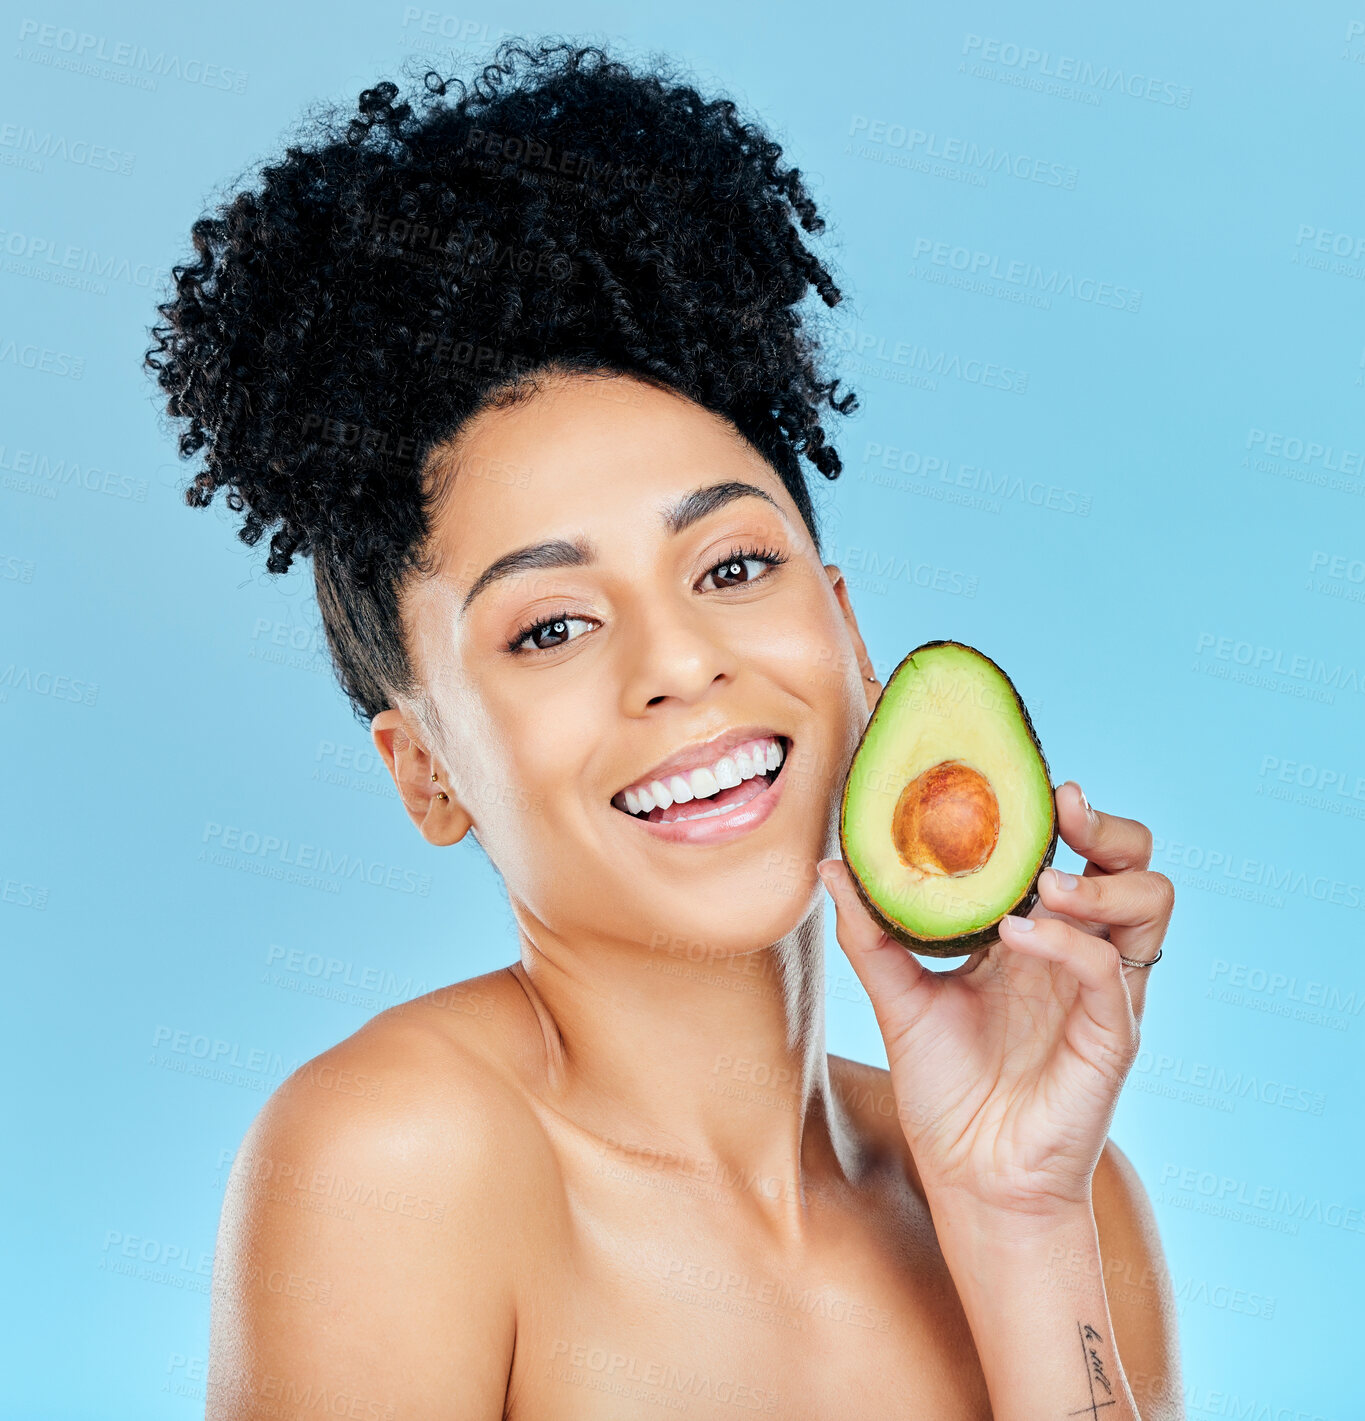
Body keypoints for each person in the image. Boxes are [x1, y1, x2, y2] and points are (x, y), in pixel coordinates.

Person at [148, 38, 1181, 1420]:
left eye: (733, 568)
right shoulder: (397, 1157)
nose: (679, 663)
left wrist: (1018, 1211)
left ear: (846, 634)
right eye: (551, 627)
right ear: (428, 770)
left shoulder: (1073, 1190)